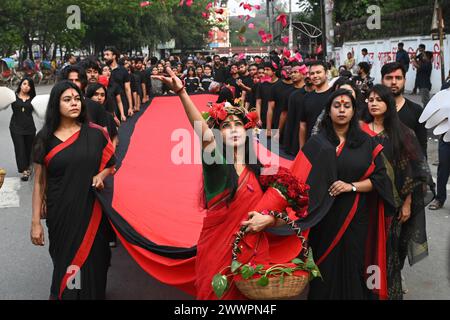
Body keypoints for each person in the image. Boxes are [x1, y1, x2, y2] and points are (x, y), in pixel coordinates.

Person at [151, 67, 302, 300]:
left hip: (253, 255)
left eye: (237, 124)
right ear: (218, 134)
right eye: (226, 126)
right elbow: (203, 134)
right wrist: (181, 92)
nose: (232, 129)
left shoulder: (263, 170)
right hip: (217, 254)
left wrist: (269, 219)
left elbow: (283, 215)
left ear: (248, 131)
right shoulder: (216, 164)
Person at [291, 89, 395, 299]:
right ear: (328, 111)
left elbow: (380, 180)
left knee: (352, 266)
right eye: (336, 106)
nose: (341, 110)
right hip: (322, 218)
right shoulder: (317, 143)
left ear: (354, 111)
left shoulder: (367, 143)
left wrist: (352, 186)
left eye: (347, 106)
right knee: (324, 269)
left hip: (355, 216)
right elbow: (298, 179)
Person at [30, 81, 116, 300]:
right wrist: (35, 223)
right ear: (56, 105)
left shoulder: (96, 134)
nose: (74, 103)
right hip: (61, 213)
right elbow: (39, 182)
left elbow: (111, 164)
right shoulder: (45, 138)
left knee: (96, 263)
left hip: (93, 211)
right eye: (67, 100)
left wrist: (101, 175)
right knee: (66, 263)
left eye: (77, 98)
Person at [361, 84, 432, 299]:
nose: (373, 104)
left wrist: (408, 202)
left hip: (392, 203)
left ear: (388, 104)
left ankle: (387, 291)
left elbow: (412, 170)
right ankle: (366, 290)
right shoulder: (359, 131)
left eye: (379, 100)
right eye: (370, 100)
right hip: (364, 201)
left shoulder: (402, 133)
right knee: (366, 248)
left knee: (389, 250)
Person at [381, 62, 427, 156]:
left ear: (404, 81)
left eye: (398, 78)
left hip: (407, 168)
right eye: (389, 78)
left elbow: (421, 147)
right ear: (382, 81)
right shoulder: (372, 110)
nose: (394, 82)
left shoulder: (416, 110)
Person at [299, 61, 333, 148]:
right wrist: (302, 149)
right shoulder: (306, 98)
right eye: (312, 73)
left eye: (318, 72)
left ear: (326, 73)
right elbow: (303, 125)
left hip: (331, 146)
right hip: (311, 146)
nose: (315, 76)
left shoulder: (334, 95)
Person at [9, 77, 37, 181]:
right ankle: (24, 171)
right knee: (20, 149)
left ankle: (29, 167)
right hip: (16, 128)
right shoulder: (13, 97)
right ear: (20, 84)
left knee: (29, 149)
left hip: (30, 128)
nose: (26, 86)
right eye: (24, 84)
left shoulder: (34, 99)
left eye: (29, 85)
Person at [103, 47, 134, 117]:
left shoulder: (123, 70)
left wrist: (130, 107)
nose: (105, 57)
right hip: (107, 102)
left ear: (114, 56)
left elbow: (127, 89)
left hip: (121, 102)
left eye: (107, 55)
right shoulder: (102, 70)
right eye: (104, 55)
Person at [255, 61, 280, 129]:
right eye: (264, 69)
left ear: (274, 71)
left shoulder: (280, 84)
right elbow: (258, 103)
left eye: (267, 69)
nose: (265, 72)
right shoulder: (262, 84)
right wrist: (258, 118)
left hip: (277, 120)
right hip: (264, 119)